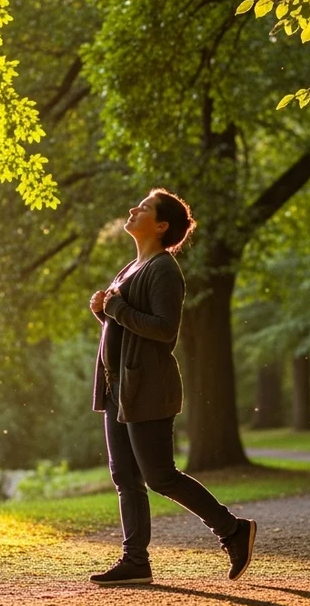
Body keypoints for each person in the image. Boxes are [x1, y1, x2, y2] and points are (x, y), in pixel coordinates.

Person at [87, 188, 256, 586]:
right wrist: (104, 315)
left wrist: (115, 309)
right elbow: (127, 333)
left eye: (144, 208)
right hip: (118, 389)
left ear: (161, 225)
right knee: (125, 477)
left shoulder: (164, 269)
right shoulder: (130, 268)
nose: (133, 209)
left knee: (160, 476)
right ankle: (135, 562)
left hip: (147, 389)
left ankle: (232, 530)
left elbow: (164, 331)